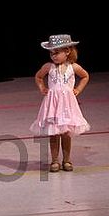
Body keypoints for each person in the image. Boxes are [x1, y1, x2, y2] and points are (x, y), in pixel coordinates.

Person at [30, 34, 90, 172]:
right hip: (53, 104)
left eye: (56, 53)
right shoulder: (48, 66)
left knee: (66, 133)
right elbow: (38, 77)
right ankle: (55, 161)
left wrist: (78, 89)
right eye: (51, 53)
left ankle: (67, 160)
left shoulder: (73, 67)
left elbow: (85, 76)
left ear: (67, 51)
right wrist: (42, 88)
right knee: (53, 133)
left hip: (67, 105)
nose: (53, 56)